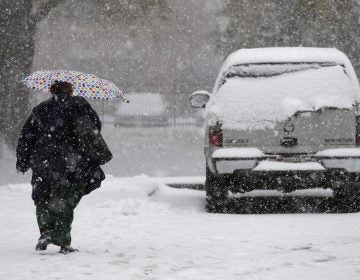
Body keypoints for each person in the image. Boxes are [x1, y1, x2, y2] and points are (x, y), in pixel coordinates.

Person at [16, 80, 111, 254]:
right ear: (71, 90)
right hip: (72, 162)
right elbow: (96, 127)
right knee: (65, 200)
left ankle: (45, 231)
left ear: (51, 90)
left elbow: (26, 136)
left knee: (42, 197)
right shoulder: (80, 105)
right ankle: (63, 242)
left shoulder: (40, 109)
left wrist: (22, 161)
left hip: (43, 162)